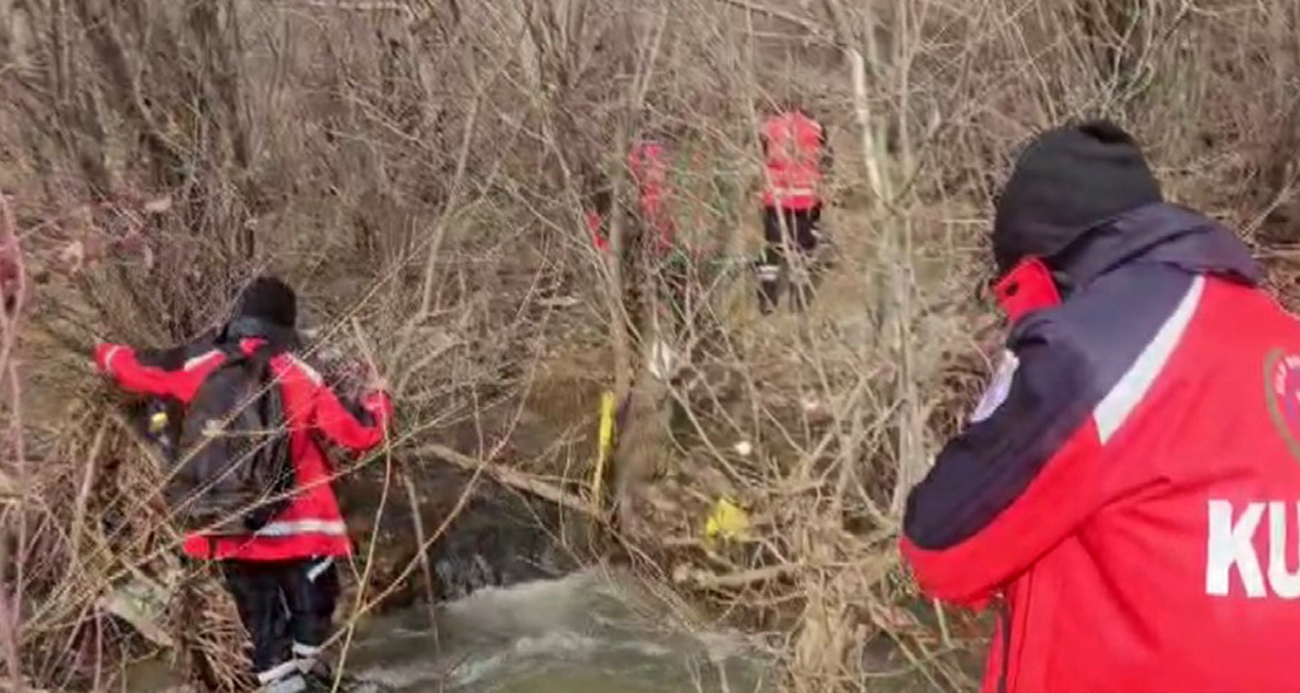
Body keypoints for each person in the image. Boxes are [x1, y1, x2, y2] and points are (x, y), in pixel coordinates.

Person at [900, 120, 1300, 692]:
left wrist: (1019, 374)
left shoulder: (1088, 351)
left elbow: (938, 546)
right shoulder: (1281, 334)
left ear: (1041, 270)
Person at [95, 277, 392, 693]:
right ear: (286, 328)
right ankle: (308, 670)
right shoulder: (298, 373)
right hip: (301, 526)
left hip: (226, 522)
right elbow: (359, 435)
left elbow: (141, 369)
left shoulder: (201, 364)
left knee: (260, 617)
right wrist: (379, 401)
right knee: (315, 604)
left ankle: (282, 682)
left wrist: (104, 353)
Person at [756, 108, 828, 313]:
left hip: (776, 197)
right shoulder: (816, 128)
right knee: (803, 249)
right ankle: (799, 302)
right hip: (806, 198)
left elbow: (762, 157)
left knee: (773, 248)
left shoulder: (769, 126)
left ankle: (767, 300)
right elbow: (824, 162)